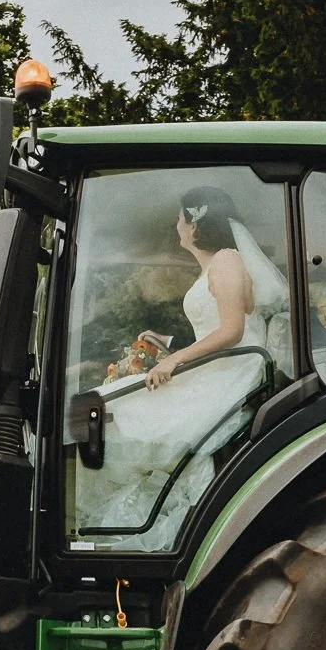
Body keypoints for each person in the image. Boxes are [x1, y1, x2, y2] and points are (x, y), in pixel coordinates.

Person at [75, 186, 289, 548]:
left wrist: (175, 360)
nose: (176, 226)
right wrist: (168, 343)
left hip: (230, 374)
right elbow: (215, 329)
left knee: (102, 405)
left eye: (179, 218)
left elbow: (233, 330)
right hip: (219, 365)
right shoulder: (218, 264)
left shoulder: (226, 260)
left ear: (194, 223)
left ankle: (119, 529)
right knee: (104, 403)